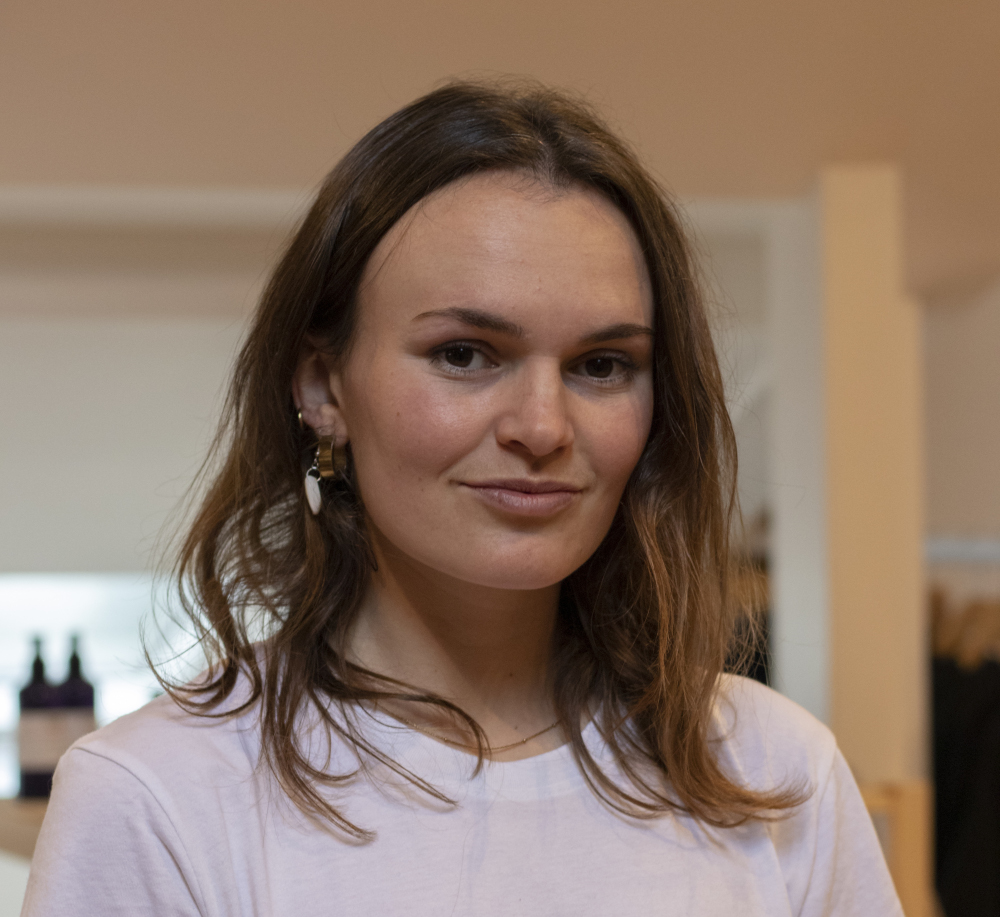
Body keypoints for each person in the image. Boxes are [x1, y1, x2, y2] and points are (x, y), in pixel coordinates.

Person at [23, 81, 902, 916]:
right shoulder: (159, 796)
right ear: (324, 385)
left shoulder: (770, 770)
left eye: (602, 365)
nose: (542, 425)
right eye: (465, 354)